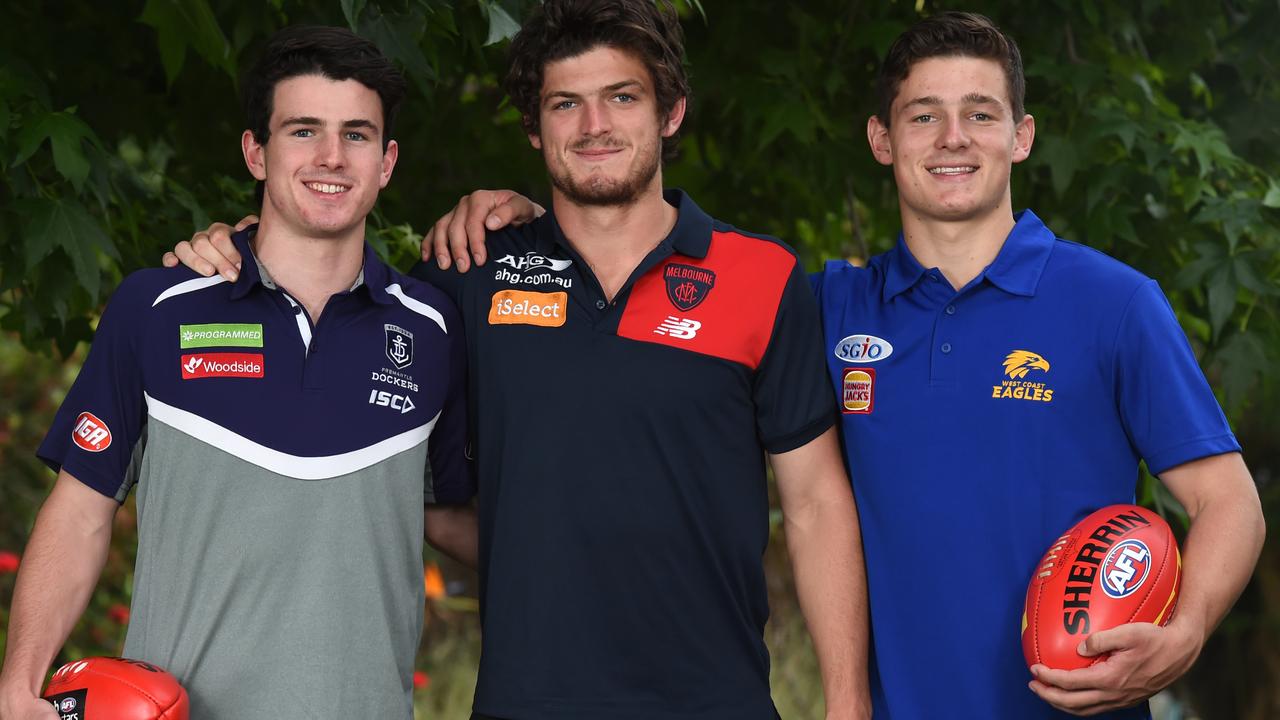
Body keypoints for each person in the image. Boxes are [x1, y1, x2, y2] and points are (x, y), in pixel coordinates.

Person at [368, 10, 1268, 720]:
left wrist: (1185, 634)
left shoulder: (1115, 303)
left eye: (980, 115)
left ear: (1022, 137)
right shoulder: (830, 305)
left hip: (1073, 704)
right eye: (924, 115)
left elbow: (1228, 503)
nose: (952, 138)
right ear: (883, 140)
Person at [165, 2, 870, 719]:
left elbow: (814, 504)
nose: (594, 126)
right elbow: (377, 444)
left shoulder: (762, 277)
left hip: (716, 700)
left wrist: (847, 704)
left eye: (622, 97)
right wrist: (241, 250)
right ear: (534, 128)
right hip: (525, 700)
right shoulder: (467, 277)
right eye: (566, 104)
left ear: (671, 112)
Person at [0, 26, 477, 720]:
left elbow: (456, 517)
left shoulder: (433, 331)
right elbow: (79, 513)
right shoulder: (157, 308)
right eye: (303, 131)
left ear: (388, 160)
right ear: (256, 152)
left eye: (357, 135)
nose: (331, 158)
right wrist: (18, 684)